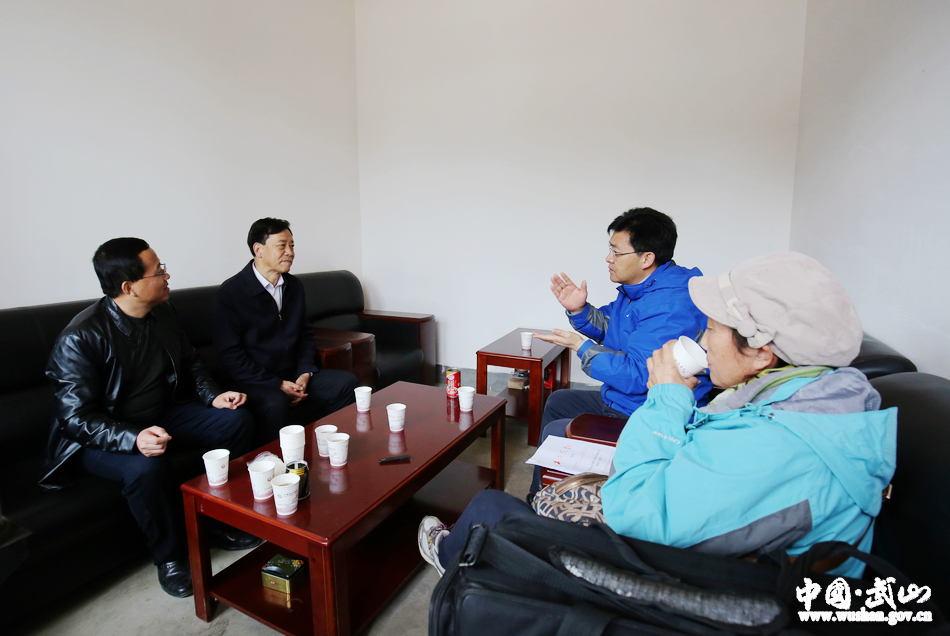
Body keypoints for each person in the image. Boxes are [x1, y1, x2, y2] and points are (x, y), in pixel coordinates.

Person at [419, 252, 896, 579]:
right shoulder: (805, 398)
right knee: (558, 414)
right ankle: (528, 519)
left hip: (685, 571)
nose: (704, 339)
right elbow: (611, 328)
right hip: (691, 522)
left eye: (712, 329)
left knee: (490, 509)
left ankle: (457, 557)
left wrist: (666, 396)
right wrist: (582, 313)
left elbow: (636, 514)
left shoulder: (779, 445)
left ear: (760, 352)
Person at [41, 238, 257, 598]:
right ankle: (170, 558)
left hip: (160, 414)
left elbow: (190, 362)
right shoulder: (81, 338)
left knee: (236, 421)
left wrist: (213, 396)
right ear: (130, 287)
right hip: (100, 435)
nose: (167, 276)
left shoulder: (163, 313)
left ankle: (219, 521)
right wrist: (132, 438)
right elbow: (75, 418)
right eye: (159, 271)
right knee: (146, 467)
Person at [528, 208, 711, 497]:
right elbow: (613, 326)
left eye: (616, 252)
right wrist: (579, 310)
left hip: (645, 411)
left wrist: (581, 347)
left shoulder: (669, 304)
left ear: (646, 258)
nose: (608, 258)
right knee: (559, 401)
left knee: (557, 429)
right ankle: (544, 494)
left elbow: (638, 375)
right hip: (626, 399)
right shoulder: (641, 289)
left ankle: (547, 502)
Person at [214, 218, 357, 444]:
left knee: (346, 383)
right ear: (258, 249)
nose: (290, 252)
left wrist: (305, 372)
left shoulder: (294, 286)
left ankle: (328, 448)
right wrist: (277, 384)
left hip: (292, 374)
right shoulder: (232, 292)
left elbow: (305, 335)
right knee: (275, 402)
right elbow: (230, 356)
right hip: (255, 381)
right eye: (282, 245)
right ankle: (277, 460)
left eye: (292, 245)